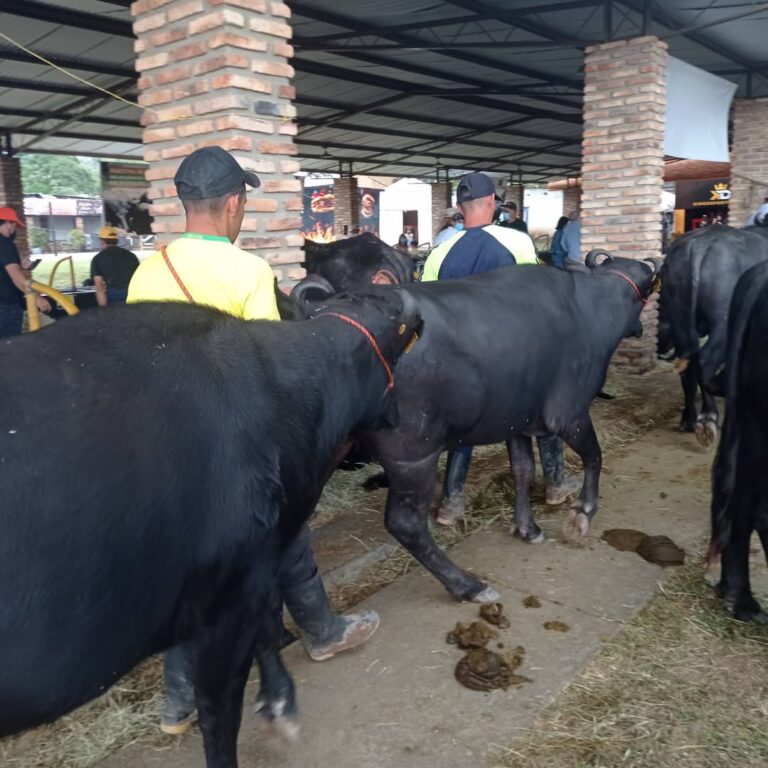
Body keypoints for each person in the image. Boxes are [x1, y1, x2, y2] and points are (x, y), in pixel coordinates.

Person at [128, 146, 379, 735]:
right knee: (287, 535)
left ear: (185, 203)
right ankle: (324, 632)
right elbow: (271, 371)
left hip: (170, 446)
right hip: (234, 441)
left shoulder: (147, 272)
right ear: (234, 204)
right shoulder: (247, 273)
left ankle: (177, 702)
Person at [421, 172, 578, 524]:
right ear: (492, 202)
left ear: (459, 207)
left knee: (462, 429)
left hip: (461, 362)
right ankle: (555, 484)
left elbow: (426, 313)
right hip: (513, 359)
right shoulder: (516, 241)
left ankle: (451, 503)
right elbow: (537, 296)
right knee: (542, 414)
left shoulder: (438, 254)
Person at [0, 206, 50, 338]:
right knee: (9, 345)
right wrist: (36, 298)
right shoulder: (5, 243)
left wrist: (20, 267)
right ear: (7, 223)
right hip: (5, 306)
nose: (14, 228)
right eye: (14, 224)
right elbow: (16, 276)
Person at [90, 225, 140, 306]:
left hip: (114, 296)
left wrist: (103, 310)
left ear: (102, 241)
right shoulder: (131, 256)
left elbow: (99, 288)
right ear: (116, 240)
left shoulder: (97, 259)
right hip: (133, 294)